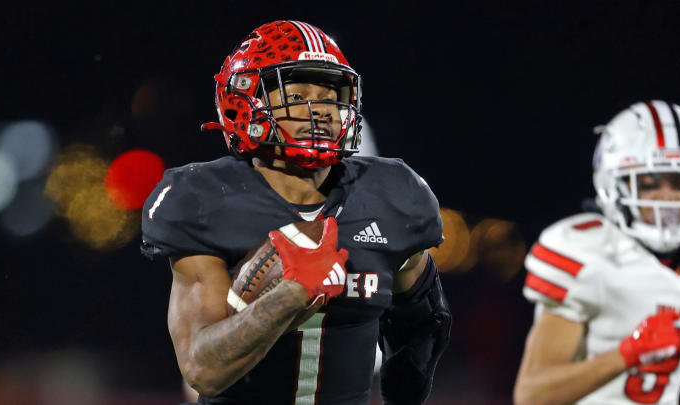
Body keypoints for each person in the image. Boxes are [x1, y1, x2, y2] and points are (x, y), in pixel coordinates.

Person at [141, 20, 451, 405]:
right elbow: (203, 370)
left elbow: (423, 319)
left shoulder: (391, 195)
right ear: (246, 100)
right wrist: (289, 295)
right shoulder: (204, 200)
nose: (318, 109)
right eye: (297, 92)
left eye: (328, 95)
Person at [513, 100, 680, 405]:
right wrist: (626, 354)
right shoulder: (590, 253)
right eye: (649, 184)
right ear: (613, 184)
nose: (668, 198)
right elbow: (532, 395)